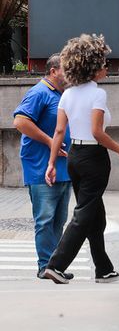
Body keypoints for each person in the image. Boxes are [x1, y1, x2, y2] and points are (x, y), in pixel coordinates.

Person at [43, 34, 119, 284]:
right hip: (94, 158)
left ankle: (103, 268)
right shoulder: (97, 94)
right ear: (92, 68)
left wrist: (51, 163)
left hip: (74, 157)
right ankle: (56, 265)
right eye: (104, 63)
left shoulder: (67, 95)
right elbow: (97, 131)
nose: (107, 67)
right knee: (84, 213)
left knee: (95, 214)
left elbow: (59, 132)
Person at [12, 54, 74, 281]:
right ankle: (44, 265)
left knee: (59, 220)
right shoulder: (39, 92)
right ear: (53, 70)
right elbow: (20, 121)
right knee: (45, 219)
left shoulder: (62, 94)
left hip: (63, 167)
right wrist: (51, 142)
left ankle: (53, 265)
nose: (69, 74)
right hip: (40, 167)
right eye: (66, 69)